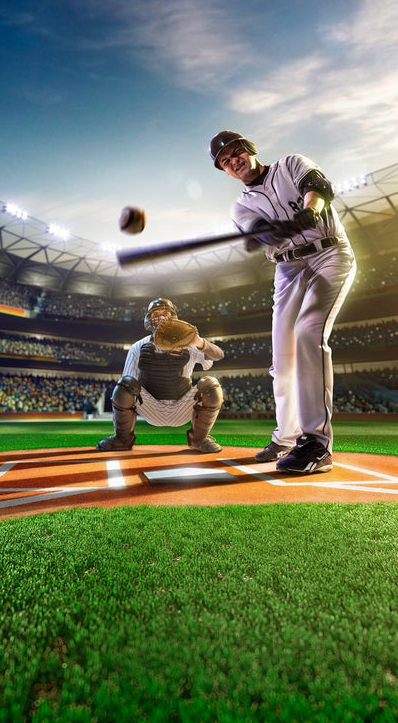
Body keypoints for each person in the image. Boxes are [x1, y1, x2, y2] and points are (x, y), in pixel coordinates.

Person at [210, 130, 356, 474]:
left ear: (249, 150)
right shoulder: (242, 205)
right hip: (288, 268)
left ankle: (317, 444)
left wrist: (310, 210)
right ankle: (286, 436)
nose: (234, 161)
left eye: (236, 153)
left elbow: (318, 187)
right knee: (282, 357)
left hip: (328, 253)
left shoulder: (291, 164)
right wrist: (271, 232)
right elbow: (259, 232)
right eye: (225, 161)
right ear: (226, 171)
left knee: (308, 333)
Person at [95, 297, 225, 454]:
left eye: (166, 313)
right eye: (156, 314)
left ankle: (199, 439)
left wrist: (199, 342)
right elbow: (126, 386)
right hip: (151, 406)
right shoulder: (138, 347)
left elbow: (218, 355)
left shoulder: (189, 344)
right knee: (125, 384)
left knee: (211, 384)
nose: (161, 317)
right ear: (149, 319)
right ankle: (122, 439)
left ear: (173, 317)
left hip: (182, 407)